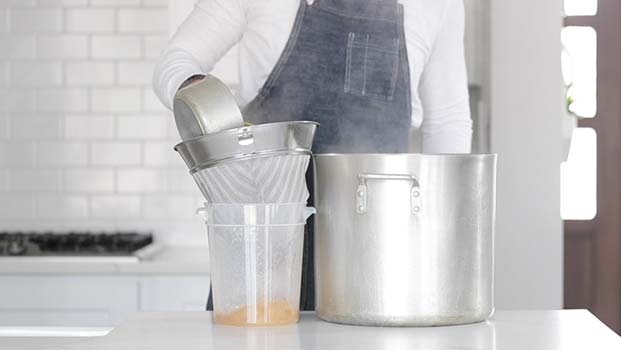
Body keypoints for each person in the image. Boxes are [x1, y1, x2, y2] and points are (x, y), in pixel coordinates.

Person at [153, 0, 472, 310]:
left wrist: (441, 241)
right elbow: (176, 60)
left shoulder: (438, 4)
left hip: (377, 261)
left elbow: (448, 123)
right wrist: (202, 100)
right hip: (261, 257)